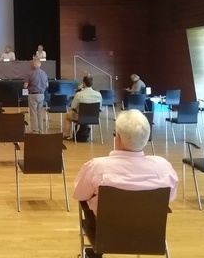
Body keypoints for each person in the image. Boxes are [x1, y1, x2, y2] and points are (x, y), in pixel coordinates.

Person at [73, 109, 178, 258]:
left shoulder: (97, 167)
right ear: (146, 137)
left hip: (105, 234)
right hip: (150, 233)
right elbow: (170, 198)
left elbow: (79, 194)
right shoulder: (164, 168)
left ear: (118, 138)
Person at [63, 76, 103, 140]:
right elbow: (100, 106)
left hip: (80, 116)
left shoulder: (79, 94)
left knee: (67, 116)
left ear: (83, 83)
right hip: (94, 117)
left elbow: (73, 106)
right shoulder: (98, 94)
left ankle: (67, 135)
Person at [22, 58, 48, 134]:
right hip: (41, 94)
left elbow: (25, 86)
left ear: (33, 64)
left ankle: (35, 130)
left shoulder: (30, 73)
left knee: (33, 113)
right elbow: (47, 85)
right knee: (39, 112)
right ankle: (40, 129)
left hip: (33, 95)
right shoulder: (44, 73)